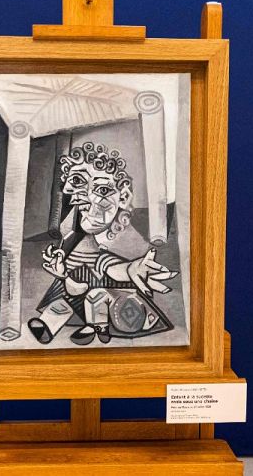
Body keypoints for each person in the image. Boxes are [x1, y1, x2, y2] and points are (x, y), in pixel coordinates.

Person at [28, 142, 179, 346]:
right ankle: (52, 325)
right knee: (64, 300)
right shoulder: (73, 238)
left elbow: (110, 267)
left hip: (105, 299)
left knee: (94, 296)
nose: (87, 199)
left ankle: (97, 326)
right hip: (77, 291)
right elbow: (74, 284)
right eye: (78, 183)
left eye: (102, 189)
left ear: (123, 197)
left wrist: (130, 269)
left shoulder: (111, 244)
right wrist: (62, 272)